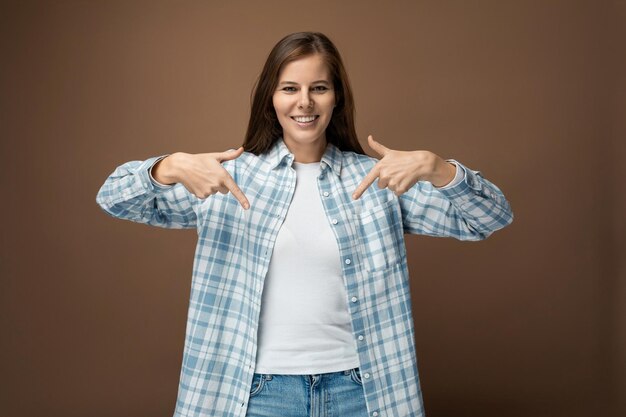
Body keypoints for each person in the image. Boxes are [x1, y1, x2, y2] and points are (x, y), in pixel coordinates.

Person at [96, 31, 514, 417]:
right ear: (270, 99)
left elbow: (488, 219)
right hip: (256, 394)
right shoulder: (229, 177)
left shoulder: (376, 181)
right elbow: (113, 199)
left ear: (336, 99)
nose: (305, 103)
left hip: (360, 393)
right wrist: (167, 167)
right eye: (290, 88)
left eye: (319, 88)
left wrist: (439, 169)